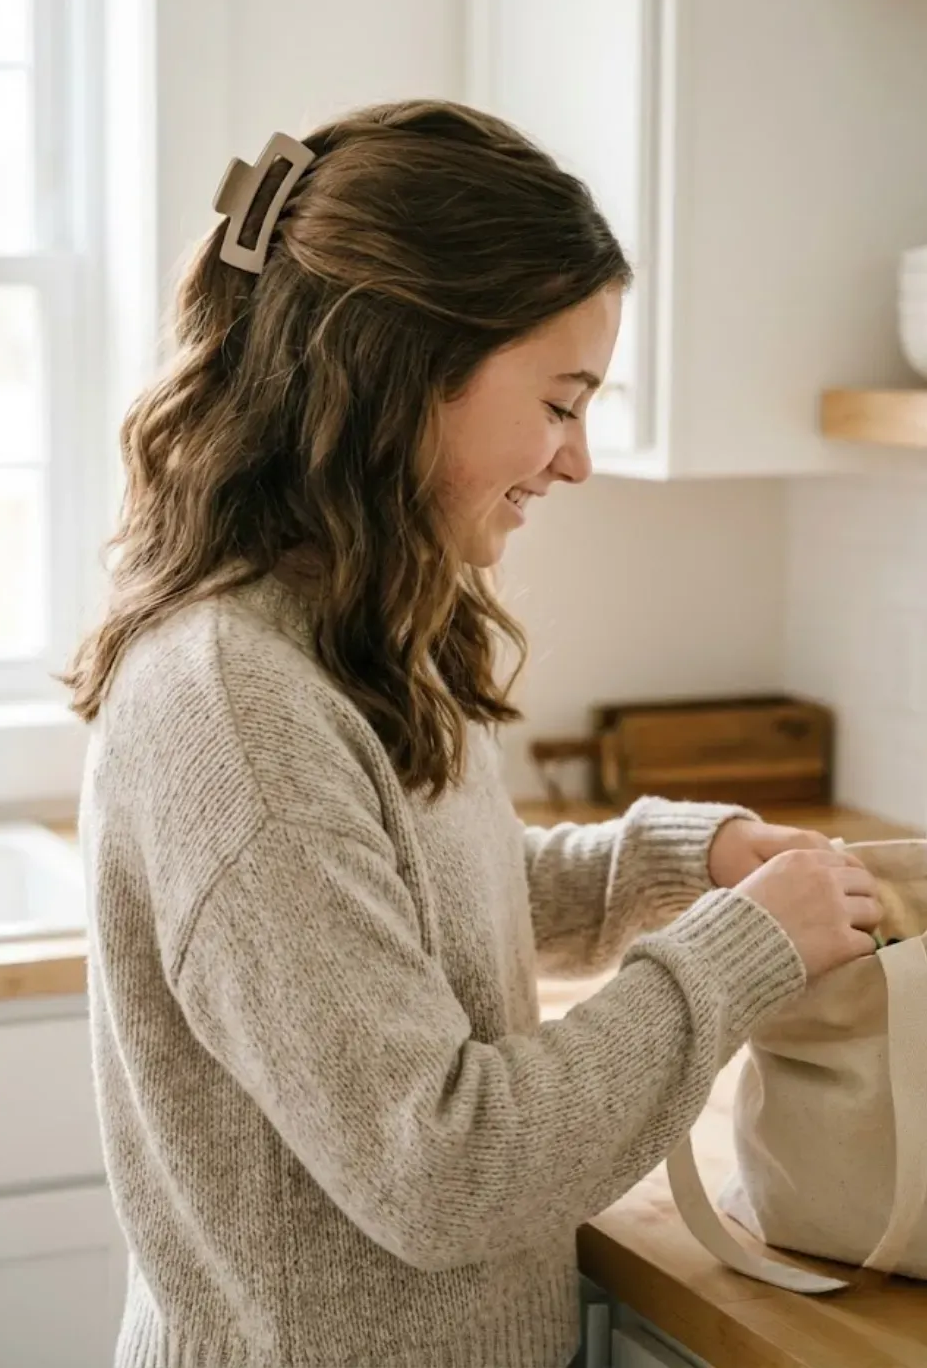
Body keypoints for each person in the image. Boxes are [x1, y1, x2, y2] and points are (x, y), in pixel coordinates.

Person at [67, 100, 882, 1368]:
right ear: (400, 373)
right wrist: (736, 959)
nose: (578, 461)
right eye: (560, 402)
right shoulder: (236, 708)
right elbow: (443, 1170)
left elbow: (428, 913)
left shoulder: (346, 627)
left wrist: (682, 859)